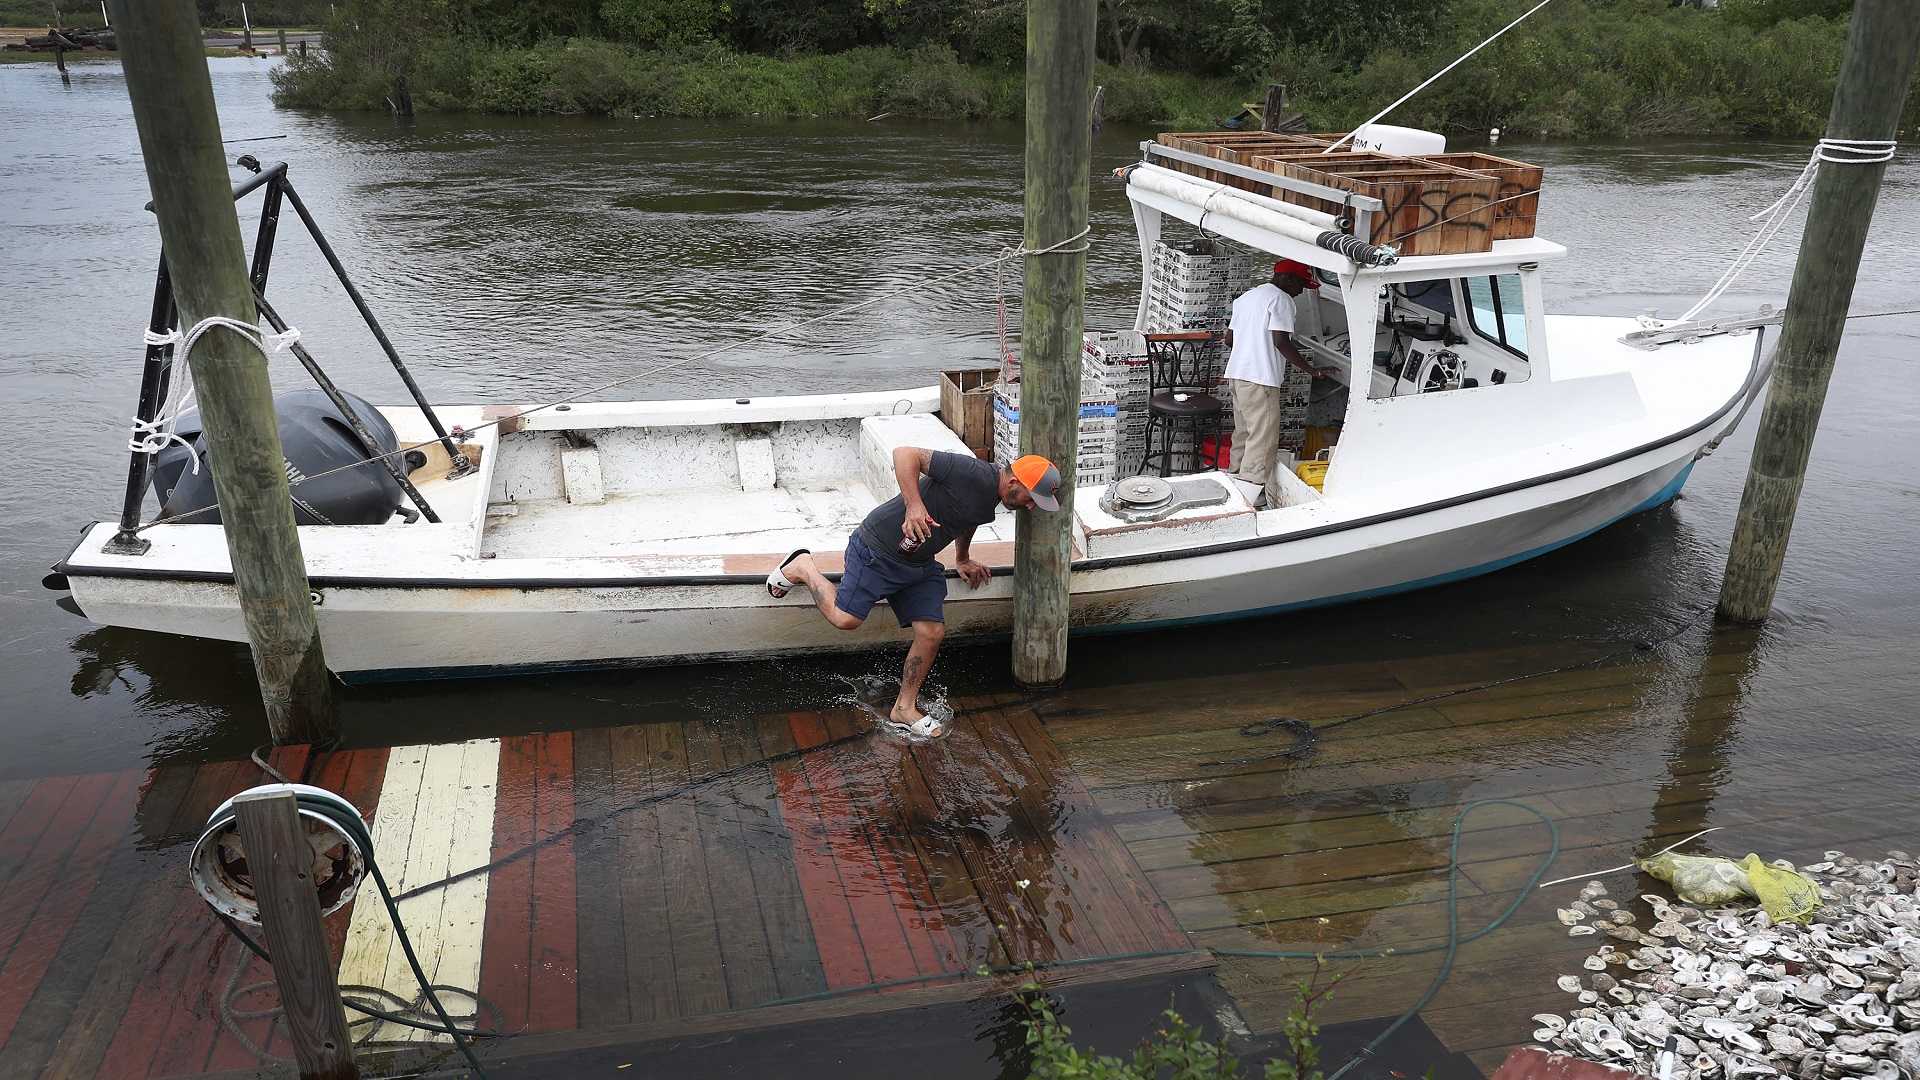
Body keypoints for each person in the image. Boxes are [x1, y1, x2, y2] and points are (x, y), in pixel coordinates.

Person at [765, 448, 1062, 739]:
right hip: (877, 549)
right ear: (1013, 483)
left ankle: (903, 708)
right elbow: (906, 454)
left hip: (917, 563)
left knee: (932, 632)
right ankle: (803, 567)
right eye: (1031, 498)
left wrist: (962, 558)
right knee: (845, 619)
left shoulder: (991, 498)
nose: (1032, 506)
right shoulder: (972, 473)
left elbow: (968, 520)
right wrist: (914, 506)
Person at [1224, 258, 1324, 508]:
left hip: (1237, 375)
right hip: (1261, 379)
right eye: (1301, 283)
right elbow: (1281, 341)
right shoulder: (1281, 299)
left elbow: (1229, 340)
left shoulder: (1246, 298)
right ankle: (1248, 493)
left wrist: (1251, 348)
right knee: (1263, 437)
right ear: (1287, 278)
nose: (1301, 291)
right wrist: (1312, 370)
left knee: (1244, 431)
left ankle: (1234, 477)